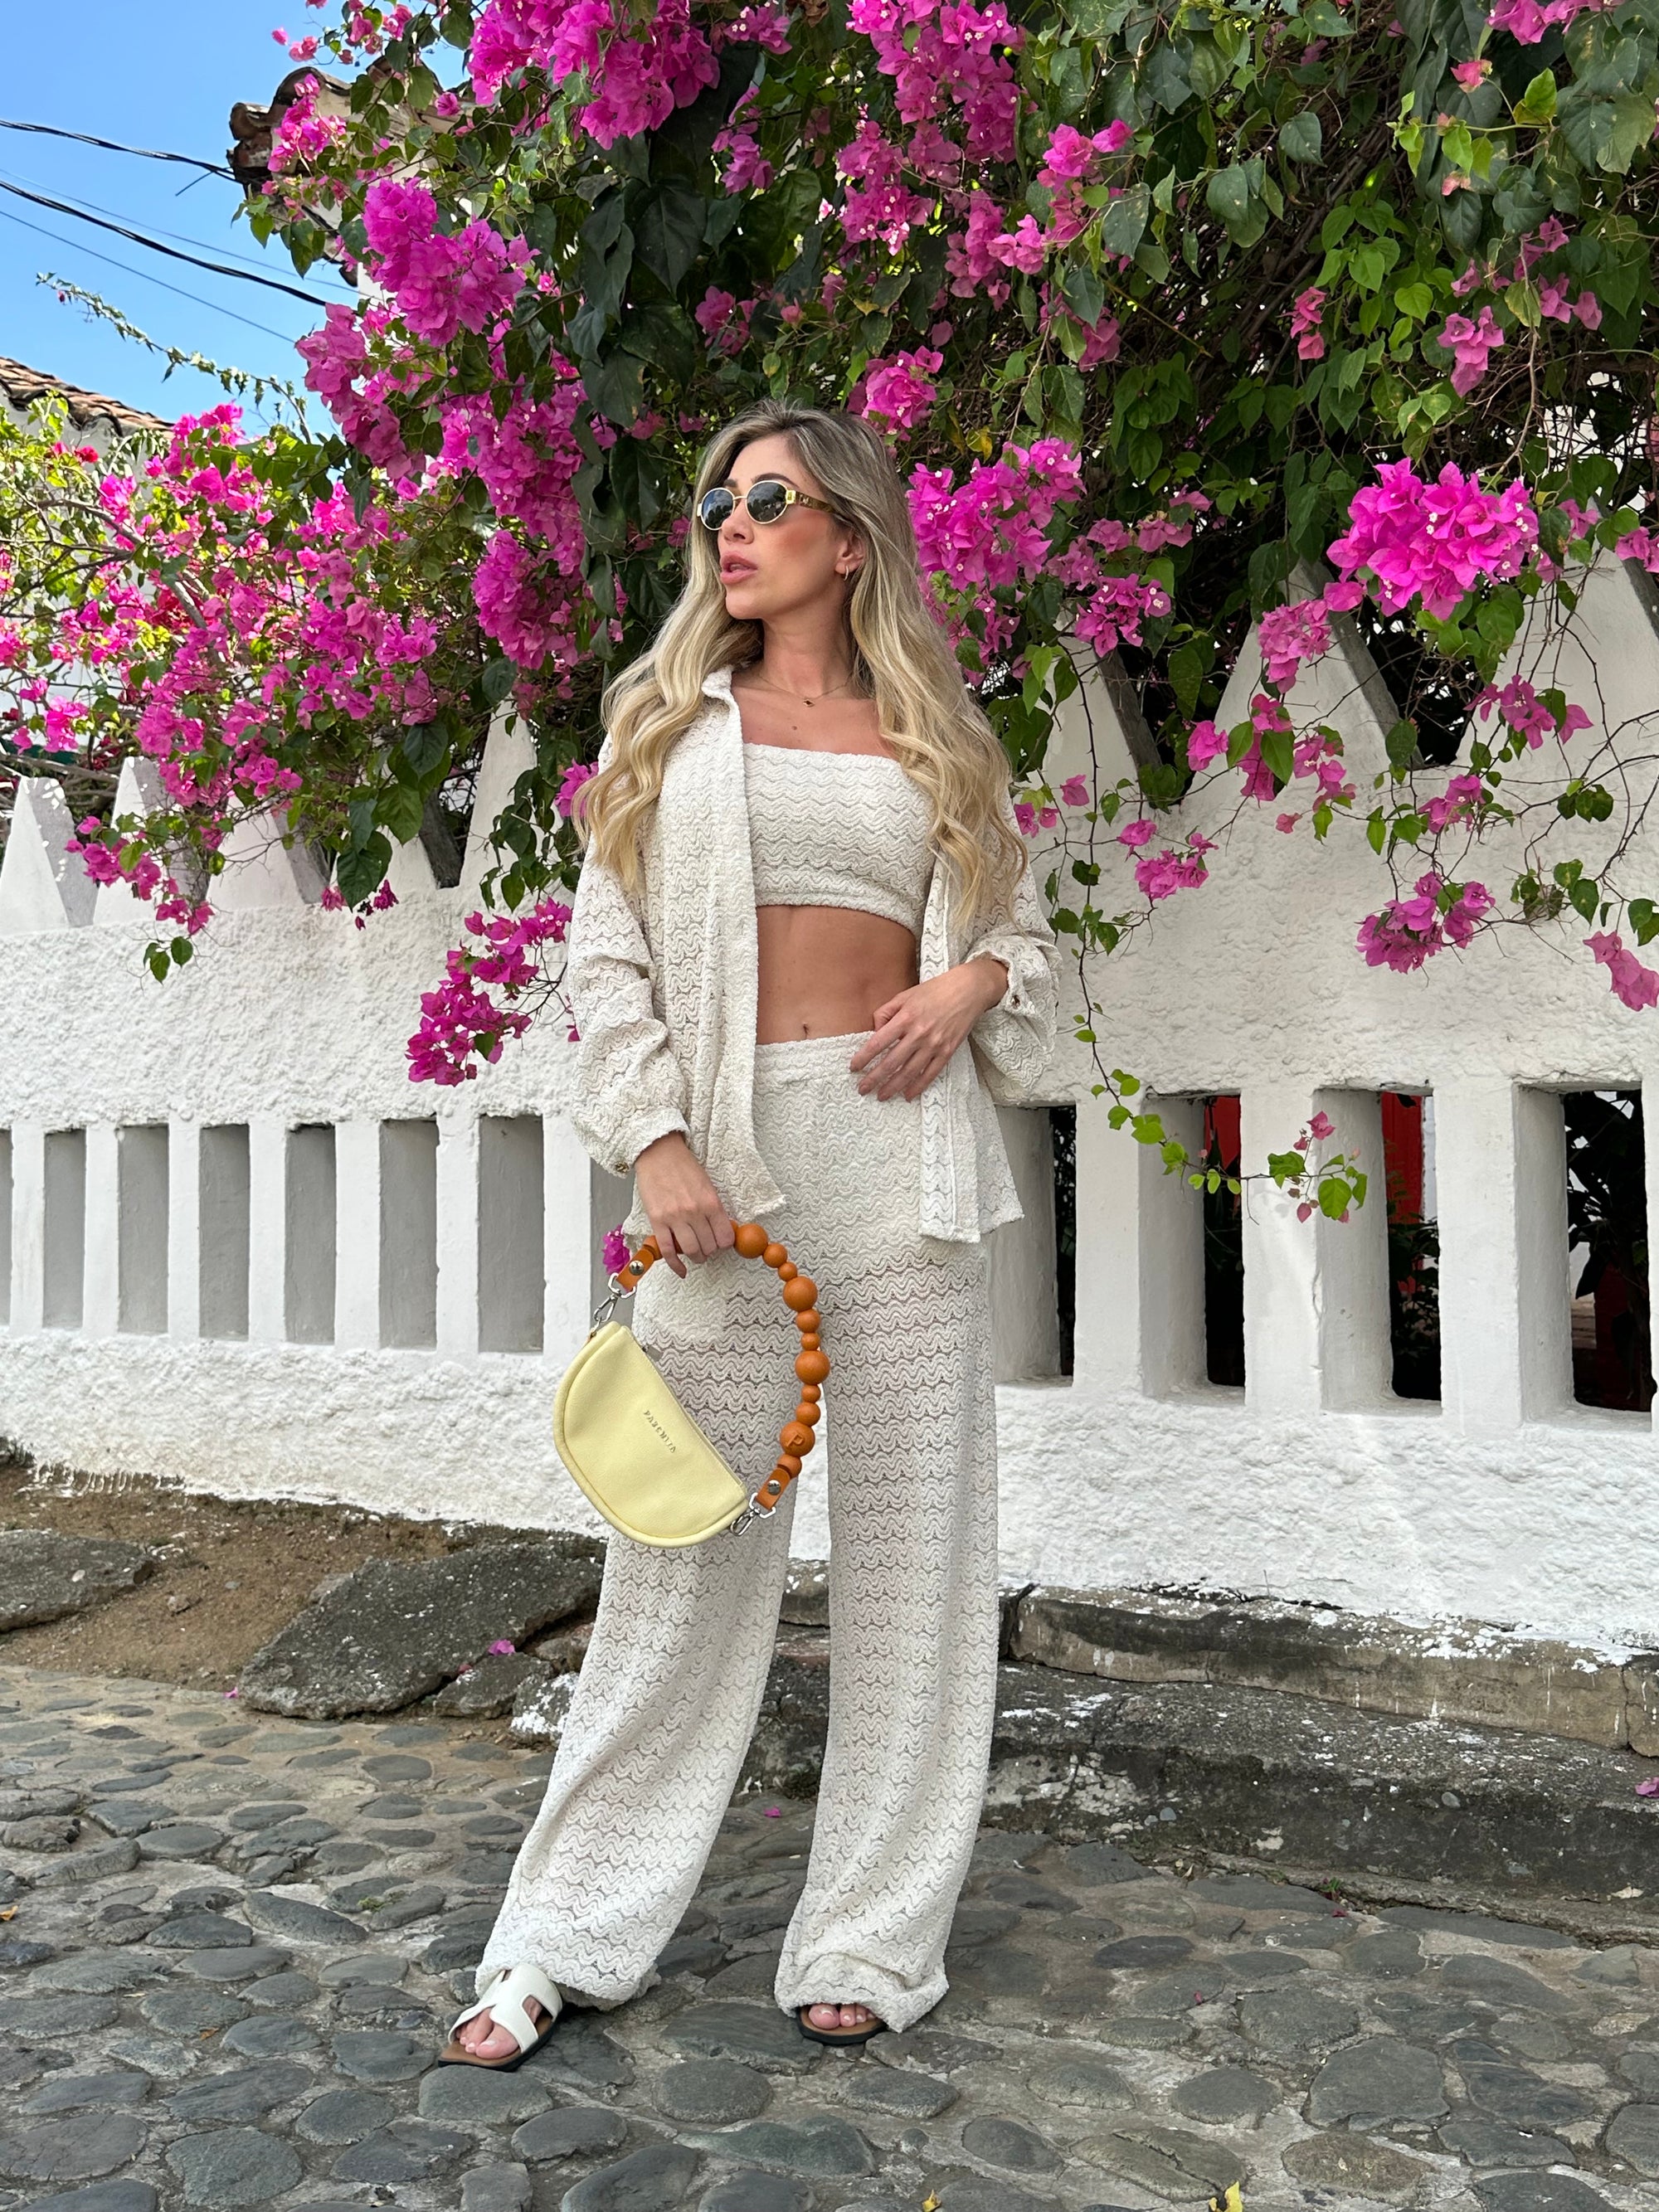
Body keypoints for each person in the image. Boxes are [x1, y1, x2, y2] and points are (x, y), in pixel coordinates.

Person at [440, 399, 1058, 2069]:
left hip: (907, 1171)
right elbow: (607, 963)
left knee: (916, 1572)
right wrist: (656, 1146)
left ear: (847, 537)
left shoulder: (938, 741)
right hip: (725, 1171)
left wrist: (968, 980)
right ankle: (563, 1933)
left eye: (769, 499)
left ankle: (870, 1933)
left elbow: (1024, 940)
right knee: (679, 1562)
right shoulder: (668, 724)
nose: (731, 522)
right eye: (720, 497)